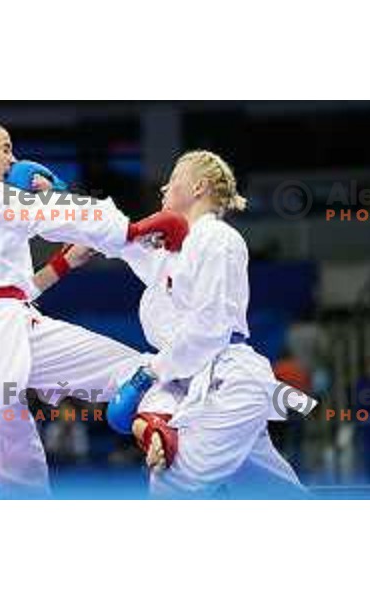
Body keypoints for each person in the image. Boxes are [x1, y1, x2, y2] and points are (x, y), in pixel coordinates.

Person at [0, 118, 188, 497]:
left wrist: (62, 264)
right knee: (138, 373)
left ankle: (171, 442)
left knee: (26, 490)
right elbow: (59, 217)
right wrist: (130, 232)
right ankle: (181, 448)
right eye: (5, 149)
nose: (14, 160)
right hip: (0, 331)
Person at [105, 150, 316, 498]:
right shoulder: (180, 251)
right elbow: (128, 246)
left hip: (229, 381)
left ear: (198, 187)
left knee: (172, 483)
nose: (162, 188)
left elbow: (209, 328)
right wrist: (67, 207)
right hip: (211, 383)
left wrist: (150, 372)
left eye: (172, 180)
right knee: (277, 496)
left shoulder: (216, 238)